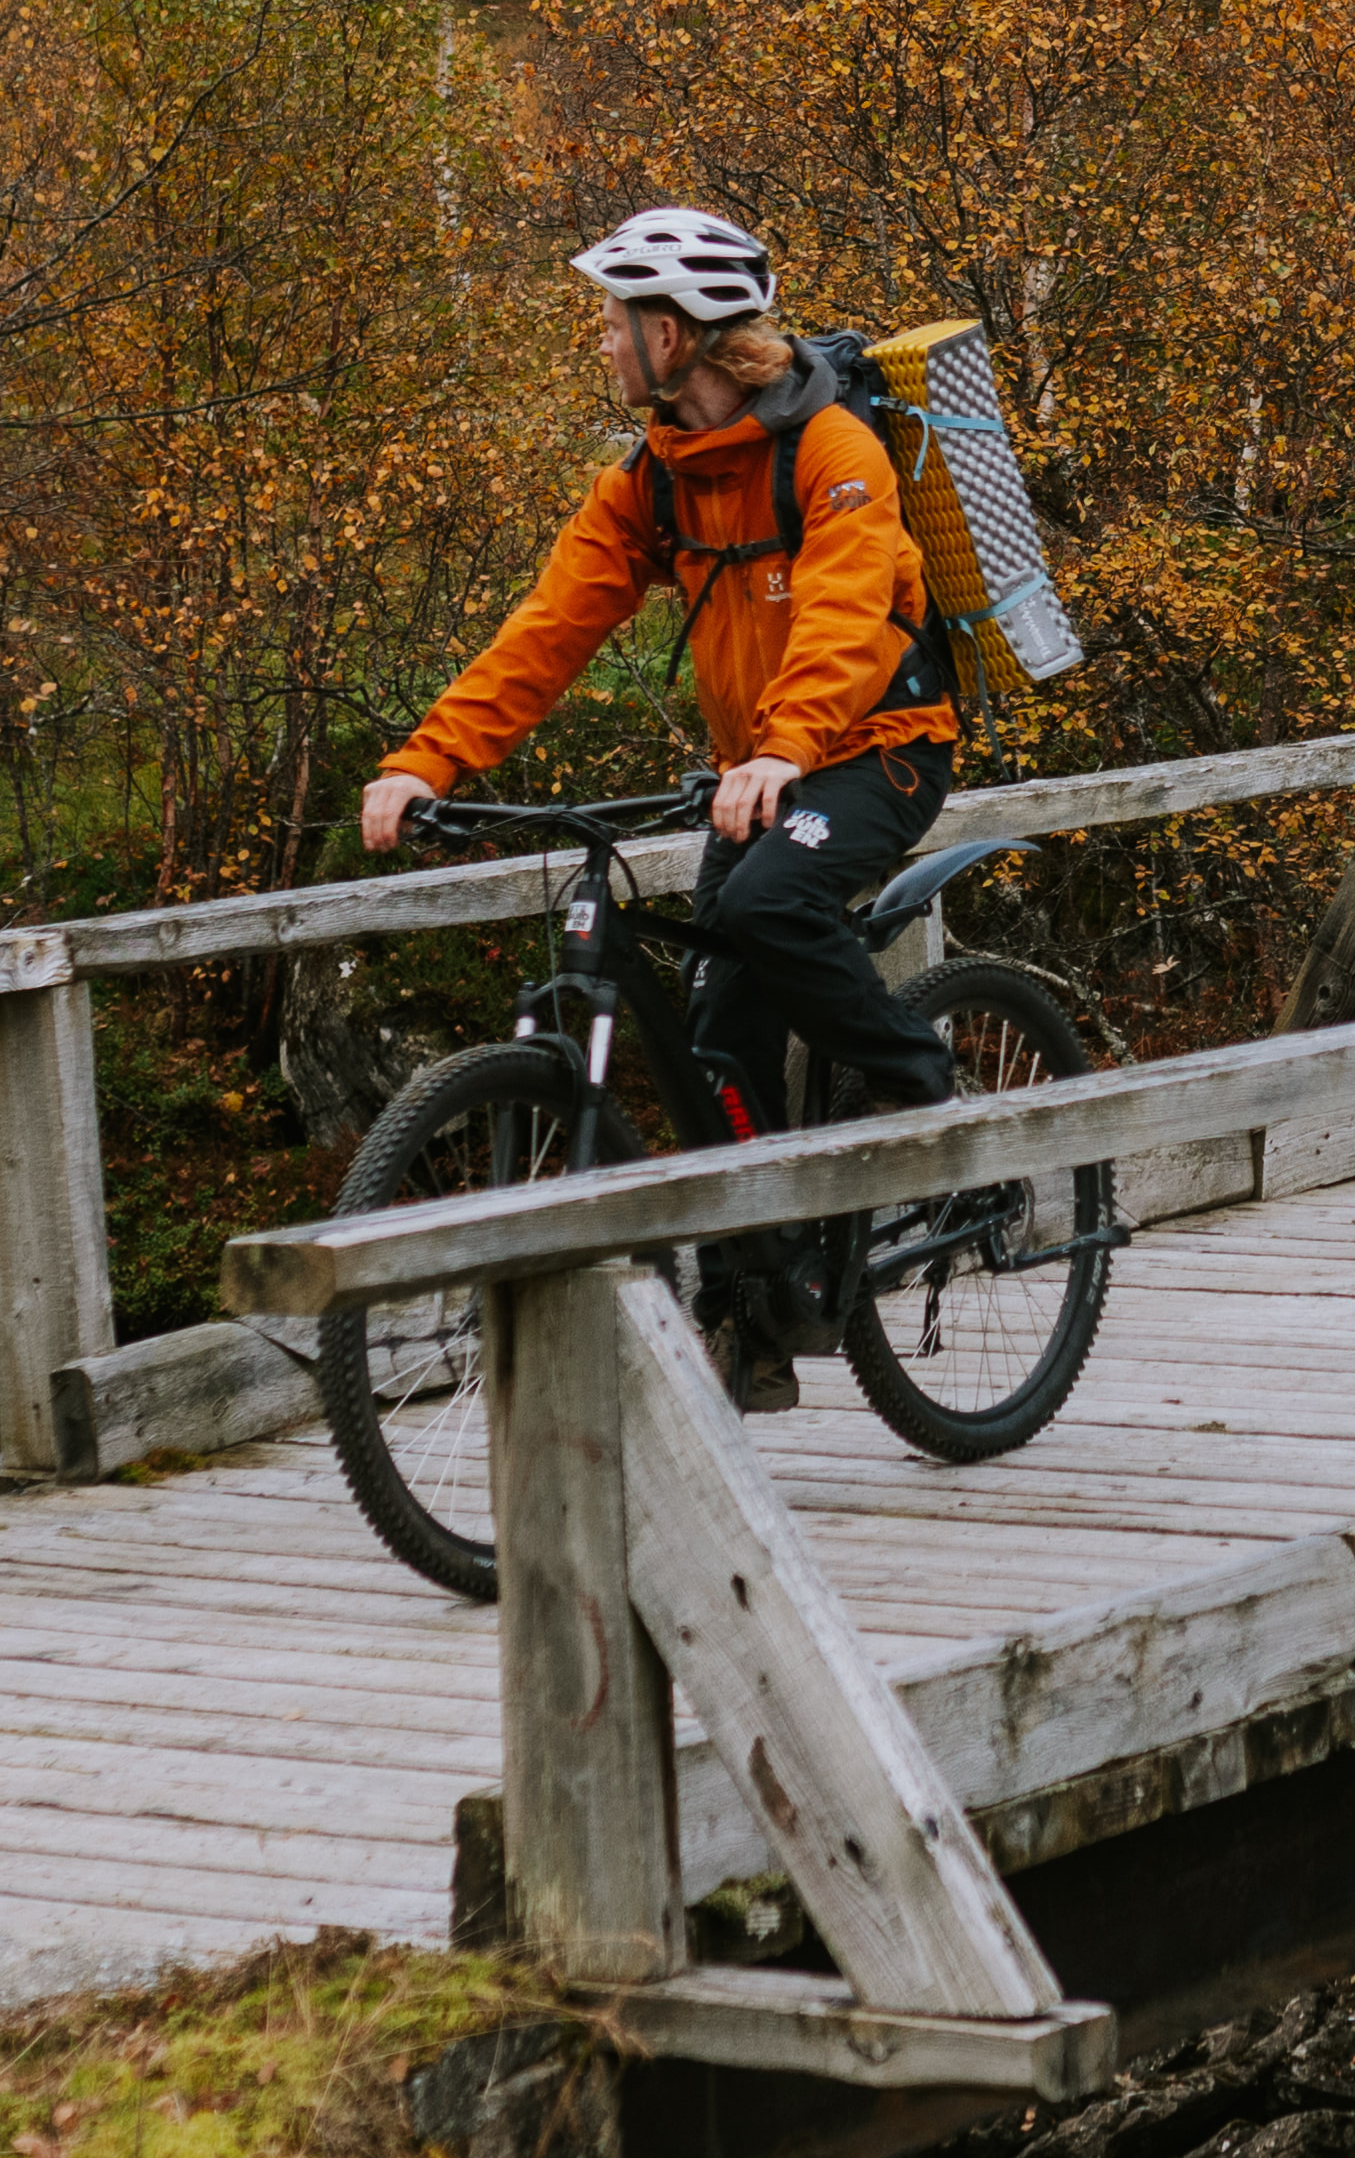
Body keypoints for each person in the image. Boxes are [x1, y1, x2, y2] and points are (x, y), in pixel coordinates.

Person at [361, 205, 961, 1380]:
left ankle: (916, 1082)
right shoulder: (649, 481)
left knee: (764, 911)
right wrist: (425, 757)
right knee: (716, 1038)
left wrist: (784, 747)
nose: (600, 341)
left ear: (672, 334)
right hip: (762, 773)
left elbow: (846, 620)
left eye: (611, 320)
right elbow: (547, 630)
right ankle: (762, 1313)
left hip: (875, 749)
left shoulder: (835, 451)